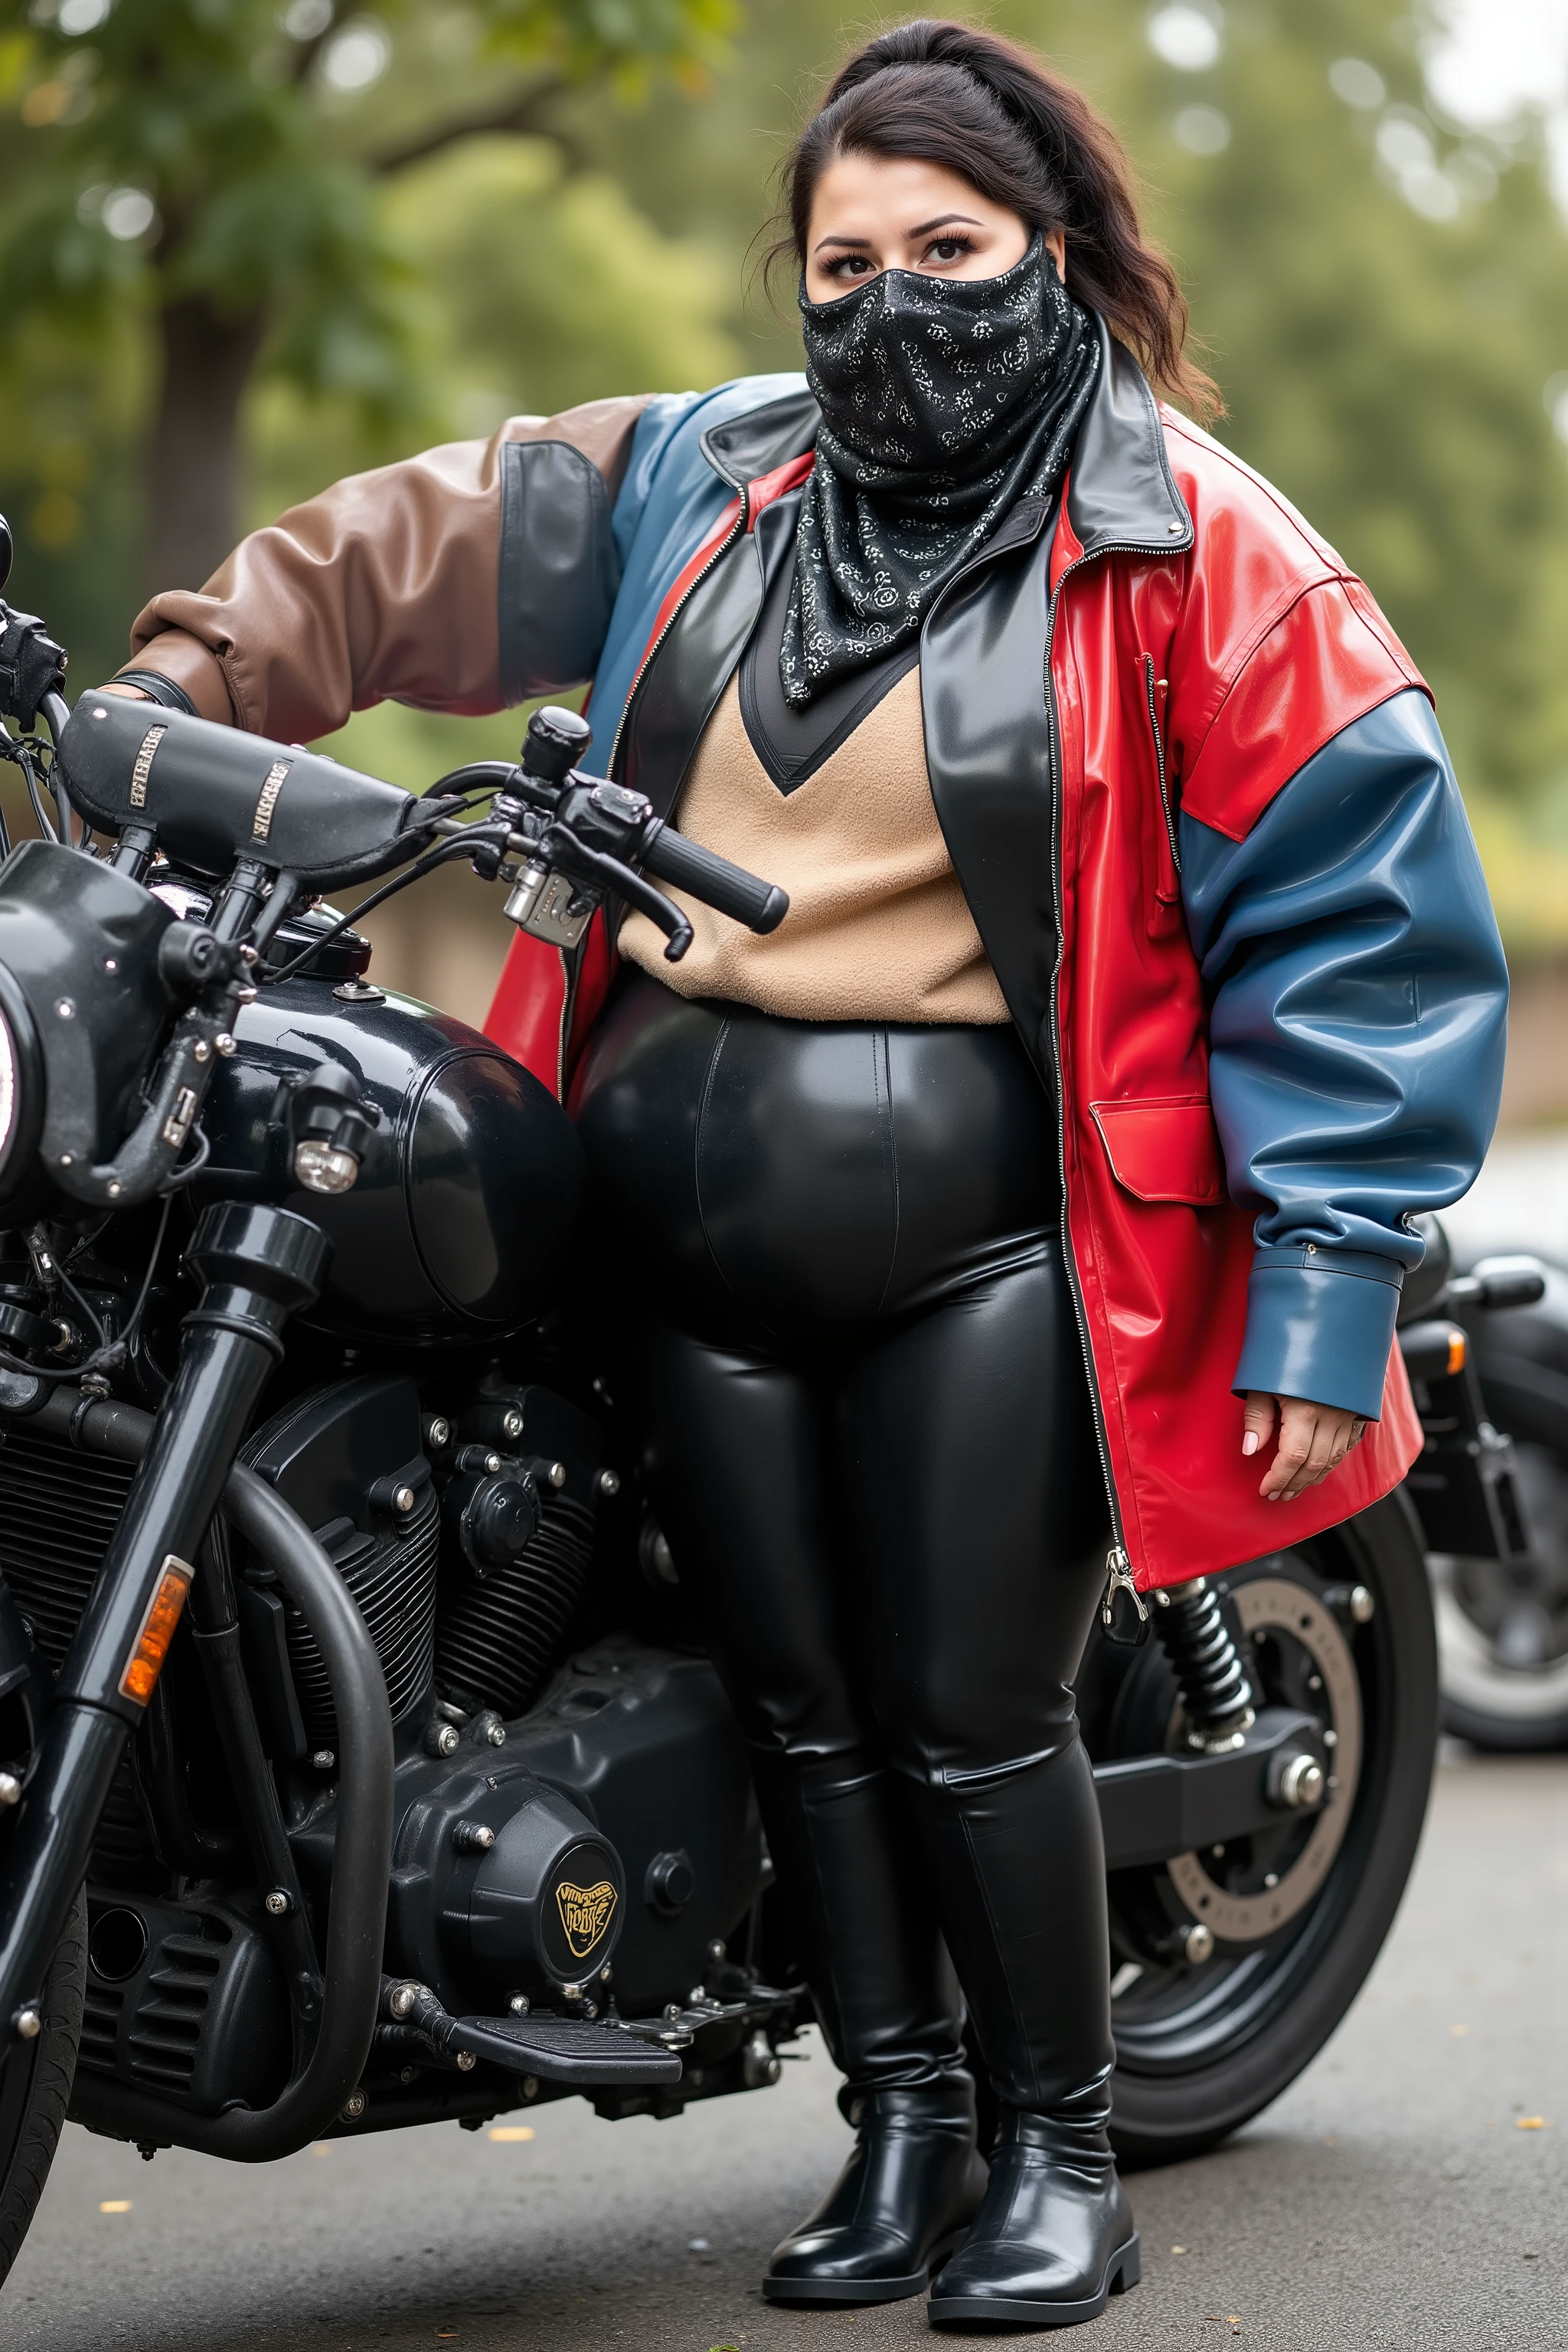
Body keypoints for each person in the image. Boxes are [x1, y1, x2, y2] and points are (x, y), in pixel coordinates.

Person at [104, 18, 1508, 2329]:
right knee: (803, 1708)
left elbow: (1363, 921)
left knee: (971, 1709)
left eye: (947, 249)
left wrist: (1334, 1277)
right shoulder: (713, 475)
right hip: (675, 1236)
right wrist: (204, 669)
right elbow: (422, 537)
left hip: (992, 1239)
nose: (892, 303)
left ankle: (1064, 2152)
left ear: (1054, 250)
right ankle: (900, 2126)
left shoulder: (1199, 543)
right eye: (842, 264)